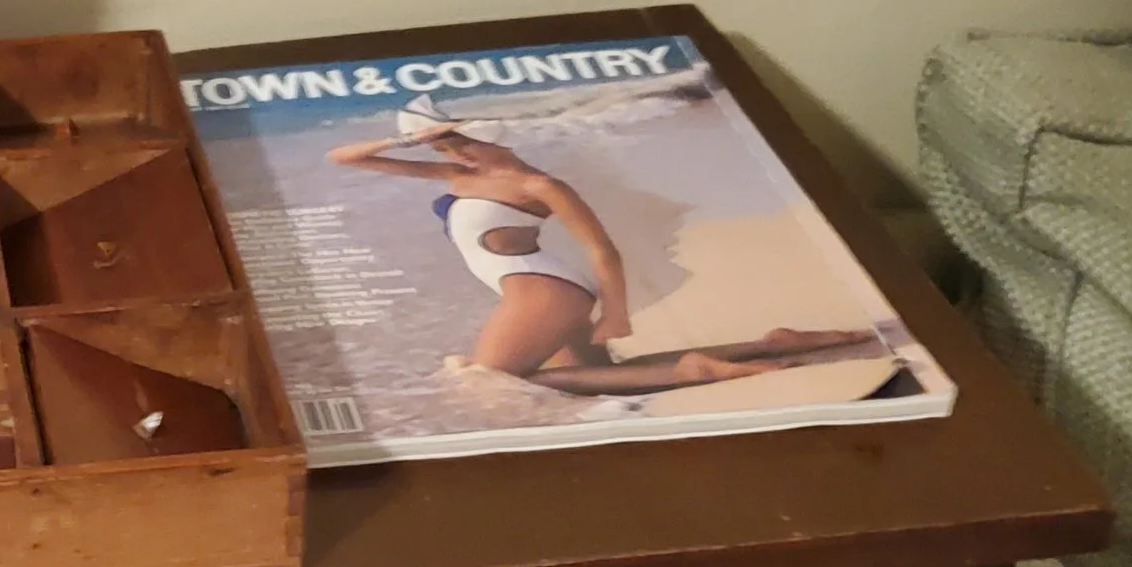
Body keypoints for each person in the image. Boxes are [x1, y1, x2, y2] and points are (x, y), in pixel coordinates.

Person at [326, 123, 882, 393]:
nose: (457, 154)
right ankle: (771, 343)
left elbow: (601, 248)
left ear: (494, 136)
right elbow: (345, 158)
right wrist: (409, 137)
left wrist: (615, 312)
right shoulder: (454, 174)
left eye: (463, 143)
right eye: (446, 148)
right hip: (533, 287)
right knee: (596, 376)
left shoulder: (539, 185)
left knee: (492, 383)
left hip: (542, 290)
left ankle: (694, 371)